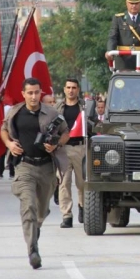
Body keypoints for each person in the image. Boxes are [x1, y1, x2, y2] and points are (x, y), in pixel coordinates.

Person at [1, 78, 69, 269]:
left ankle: (35, 228)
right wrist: (8, 143)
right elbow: (3, 129)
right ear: (23, 94)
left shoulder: (52, 113)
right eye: (29, 92)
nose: (33, 96)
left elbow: (66, 132)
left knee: (41, 209)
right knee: (28, 206)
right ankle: (33, 250)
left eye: (36, 92)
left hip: (47, 167)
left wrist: (55, 143)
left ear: (41, 93)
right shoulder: (15, 112)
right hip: (25, 166)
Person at [54, 78, 87, 228]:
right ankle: (66, 215)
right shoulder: (57, 108)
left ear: (78, 89)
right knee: (64, 183)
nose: (71, 90)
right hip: (63, 149)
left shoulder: (85, 107)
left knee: (82, 183)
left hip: (81, 147)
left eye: (74, 87)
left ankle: (83, 207)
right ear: (64, 89)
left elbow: (93, 124)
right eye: (68, 87)